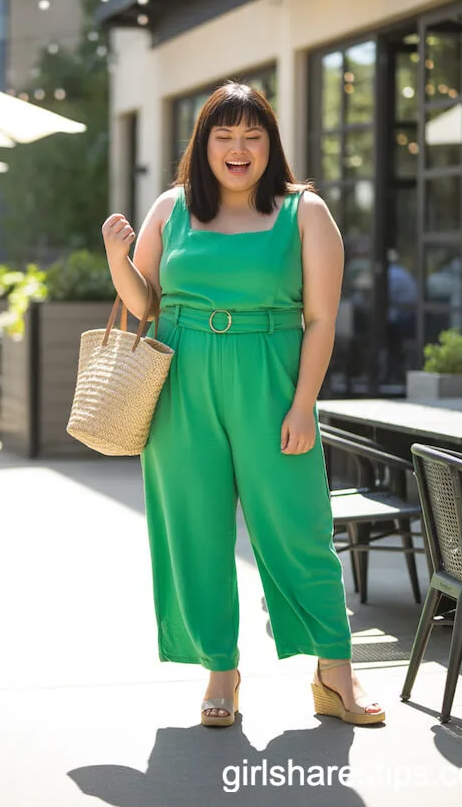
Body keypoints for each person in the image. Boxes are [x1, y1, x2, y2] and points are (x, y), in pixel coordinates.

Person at [101, 82, 385, 727]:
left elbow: (320, 320)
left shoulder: (304, 212)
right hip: (181, 379)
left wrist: (302, 404)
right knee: (193, 530)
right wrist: (119, 258)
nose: (238, 148)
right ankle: (220, 671)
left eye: (251, 136)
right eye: (223, 136)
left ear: (270, 144)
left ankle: (335, 674)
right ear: (202, 145)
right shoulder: (171, 208)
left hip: (271, 378)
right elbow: (144, 304)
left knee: (300, 528)